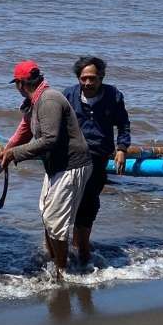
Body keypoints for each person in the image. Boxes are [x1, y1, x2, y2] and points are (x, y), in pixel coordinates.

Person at [0, 61, 92, 279]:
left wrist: (14, 154)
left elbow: (49, 139)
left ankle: (61, 272)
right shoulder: (35, 101)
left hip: (71, 165)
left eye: (17, 84)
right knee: (47, 215)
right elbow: (23, 132)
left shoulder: (49, 100)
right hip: (56, 166)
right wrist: (6, 151)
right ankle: (55, 261)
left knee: (55, 221)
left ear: (21, 84)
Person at [62, 56, 131, 267]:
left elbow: (123, 124)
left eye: (92, 78)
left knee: (89, 203)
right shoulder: (68, 96)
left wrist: (121, 149)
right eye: (83, 78)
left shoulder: (113, 96)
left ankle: (82, 247)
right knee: (67, 204)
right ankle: (68, 250)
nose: (88, 83)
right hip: (71, 159)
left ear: (101, 77)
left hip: (98, 158)